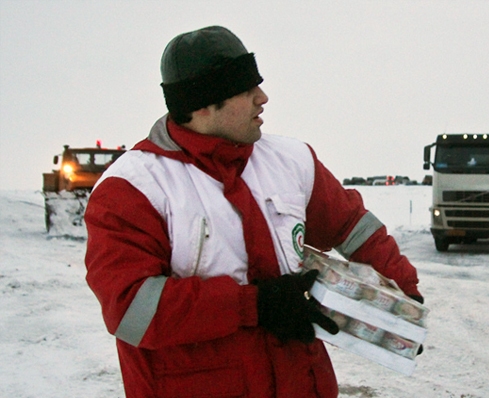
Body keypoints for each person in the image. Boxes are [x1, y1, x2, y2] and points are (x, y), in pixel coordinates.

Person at [84, 25, 423, 398]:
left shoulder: (291, 161)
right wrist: (253, 305)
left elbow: (355, 229)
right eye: (246, 90)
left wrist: (405, 296)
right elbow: (132, 313)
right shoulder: (133, 187)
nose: (262, 98)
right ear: (203, 104)